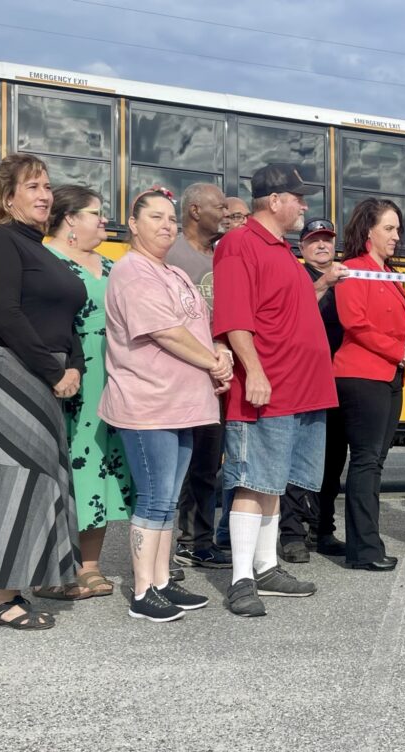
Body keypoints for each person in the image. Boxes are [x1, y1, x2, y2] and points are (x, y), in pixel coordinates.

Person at [0, 154, 84, 630]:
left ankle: (12, 582)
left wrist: (76, 366)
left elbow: (69, 320)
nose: (45, 194)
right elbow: (4, 314)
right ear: (7, 198)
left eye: (47, 186)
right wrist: (52, 369)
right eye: (32, 187)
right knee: (11, 482)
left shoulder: (42, 250)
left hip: (39, 375)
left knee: (36, 480)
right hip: (9, 372)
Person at [213, 164, 340, 615]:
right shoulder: (238, 244)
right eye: (298, 198)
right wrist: (256, 372)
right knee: (253, 479)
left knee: (273, 483)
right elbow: (232, 318)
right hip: (269, 387)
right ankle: (242, 578)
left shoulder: (282, 250)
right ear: (274, 200)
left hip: (300, 389)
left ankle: (265, 567)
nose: (304, 206)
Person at [99, 188, 231, 622]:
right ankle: (141, 592)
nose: (167, 226)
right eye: (155, 217)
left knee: (169, 498)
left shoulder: (173, 271)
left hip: (183, 404)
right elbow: (166, 333)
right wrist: (213, 361)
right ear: (133, 225)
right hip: (148, 403)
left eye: (171, 219)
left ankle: (160, 581)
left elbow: (198, 323)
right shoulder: (133, 271)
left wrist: (220, 349)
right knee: (154, 498)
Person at [31, 185, 133, 602]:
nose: (104, 220)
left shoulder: (112, 266)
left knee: (103, 467)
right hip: (64, 375)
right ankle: (51, 566)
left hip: (112, 377)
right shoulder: (40, 260)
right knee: (60, 468)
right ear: (70, 218)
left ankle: (89, 565)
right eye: (96, 213)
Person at [333, 198, 405, 571]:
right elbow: (355, 323)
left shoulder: (390, 274)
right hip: (361, 376)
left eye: (397, 229)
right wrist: (397, 351)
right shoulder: (353, 270)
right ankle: (364, 550)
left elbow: (403, 325)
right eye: (389, 228)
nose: (396, 236)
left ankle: (367, 545)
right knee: (366, 462)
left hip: (390, 375)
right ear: (368, 231)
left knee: (375, 462)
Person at [169, 182, 233, 570]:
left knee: (208, 462)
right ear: (195, 211)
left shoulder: (221, 255)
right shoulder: (171, 254)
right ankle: (179, 541)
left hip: (217, 375)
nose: (226, 213)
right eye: (219, 207)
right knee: (177, 465)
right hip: (180, 374)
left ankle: (198, 540)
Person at [277, 217, 348, 563]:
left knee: (331, 462)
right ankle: (291, 533)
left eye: (327, 240)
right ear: (301, 247)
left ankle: (322, 529)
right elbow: (291, 313)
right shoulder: (297, 275)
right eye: (314, 240)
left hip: (338, 381)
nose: (322, 245)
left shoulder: (346, 279)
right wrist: (324, 282)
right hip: (302, 381)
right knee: (297, 461)